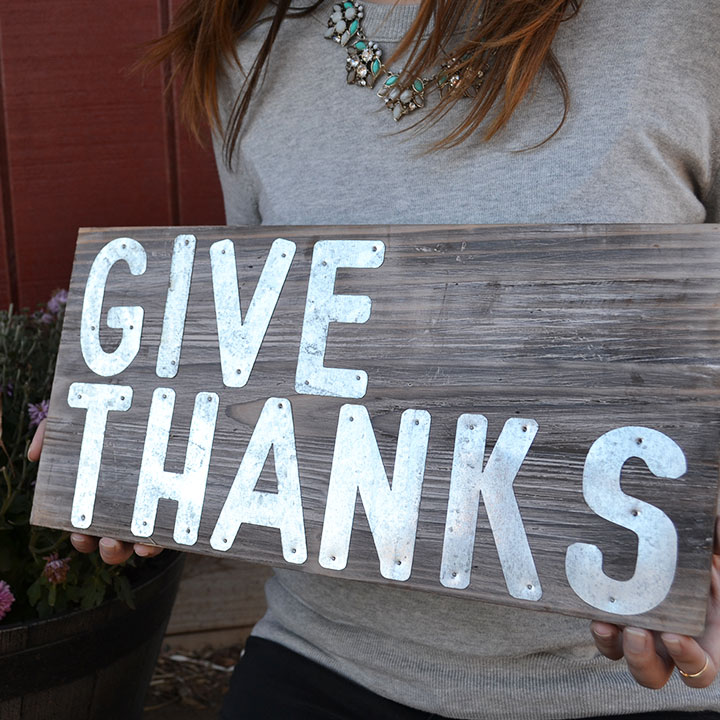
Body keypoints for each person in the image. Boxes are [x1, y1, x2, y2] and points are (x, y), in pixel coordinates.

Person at [31, 0, 720, 717]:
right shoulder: (252, 47)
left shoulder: (681, 23)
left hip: (619, 683)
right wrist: (142, 441)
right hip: (325, 652)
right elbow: (267, 346)